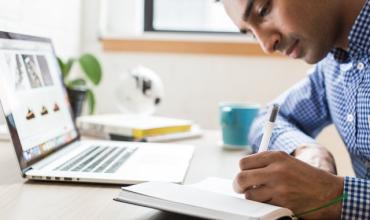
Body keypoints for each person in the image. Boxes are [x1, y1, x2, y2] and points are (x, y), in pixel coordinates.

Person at [222, 0, 369, 219]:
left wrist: (333, 195)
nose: (267, 45)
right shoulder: (332, 66)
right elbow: (268, 118)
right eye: (251, 34)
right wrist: (307, 150)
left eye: (264, 11)